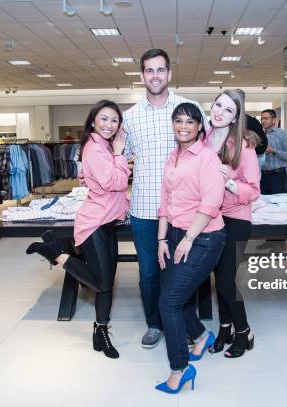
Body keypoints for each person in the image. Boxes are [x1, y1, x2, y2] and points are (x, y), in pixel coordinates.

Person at [26, 100, 130, 359]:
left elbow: (96, 179)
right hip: (94, 222)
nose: (109, 125)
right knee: (101, 281)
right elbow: (116, 182)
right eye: (104, 119)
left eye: (114, 120)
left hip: (108, 220)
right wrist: (120, 155)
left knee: (106, 284)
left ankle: (101, 330)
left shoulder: (102, 147)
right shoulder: (97, 149)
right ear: (93, 120)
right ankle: (56, 254)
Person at [122, 49, 207, 349]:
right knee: (149, 273)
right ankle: (155, 324)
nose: (155, 76)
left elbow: (208, 147)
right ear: (142, 75)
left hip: (185, 209)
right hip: (146, 209)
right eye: (149, 70)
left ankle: (185, 325)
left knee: (182, 273)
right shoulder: (130, 117)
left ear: (169, 73)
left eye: (160, 70)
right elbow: (120, 155)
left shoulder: (190, 108)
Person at [155, 102, 226, 394]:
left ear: (199, 126)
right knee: (173, 296)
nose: (183, 126)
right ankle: (200, 336)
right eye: (178, 121)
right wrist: (162, 239)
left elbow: (211, 203)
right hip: (173, 233)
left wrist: (188, 238)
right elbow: (165, 202)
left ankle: (180, 369)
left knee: (168, 302)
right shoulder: (173, 156)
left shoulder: (207, 157)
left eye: (189, 121)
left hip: (203, 237)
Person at [204, 89, 260, 358]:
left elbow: (254, 190)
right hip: (211, 217)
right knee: (218, 277)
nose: (220, 112)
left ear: (237, 117)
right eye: (218, 105)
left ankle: (244, 331)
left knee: (226, 281)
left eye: (228, 110)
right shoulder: (204, 138)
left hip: (236, 218)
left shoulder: (244, 145)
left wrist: (228, 181)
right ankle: (225, 328)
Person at [260, 109, 287, 194]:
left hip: (277, 176)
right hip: (263, 175)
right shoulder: (260, 134)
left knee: (278, 204)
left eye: (266, 118)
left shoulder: (283, 134)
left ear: (274, 120)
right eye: (262, 119)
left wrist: (274, 151)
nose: (263, 121)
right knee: (264, 203)